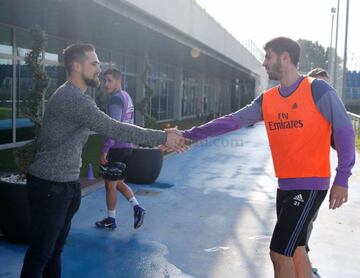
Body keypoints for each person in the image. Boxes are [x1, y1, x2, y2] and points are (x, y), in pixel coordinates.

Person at [167, 37, 355, 278]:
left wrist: (343, 177)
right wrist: (188, 135)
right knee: (296, 249)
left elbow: (344, 129)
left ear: (284, 57)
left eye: (268, 56)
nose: (264, 63)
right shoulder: (268, 99)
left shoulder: (317, 89)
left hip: (310, 184)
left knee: (279, 253)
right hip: (285, 185)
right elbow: (231, 121)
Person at [20, 43, 186, 278]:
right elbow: (114, 128)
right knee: (40, 255)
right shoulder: (73, 99)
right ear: (77, 66)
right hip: (50, 186)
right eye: (94, 63)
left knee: (54, 252)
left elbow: (114, 128)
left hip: (64, 185)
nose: (99, 69)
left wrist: (161, 138)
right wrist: (162, 137)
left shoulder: (74, 96)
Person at [95, 68, 145, 230]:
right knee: (117, 183)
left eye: (110, 80)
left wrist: (105, 149)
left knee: (110, 185)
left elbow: (114, 127)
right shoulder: (126, 96)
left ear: (119, 81)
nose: (106, 84)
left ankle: (111, 220)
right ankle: (137, 208)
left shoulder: (115, 100)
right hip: (126, 147)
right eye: (105, 80)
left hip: (117, 148)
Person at [305, 67, 330, 278]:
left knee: (308, 222)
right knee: (301, 224)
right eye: (318, 84)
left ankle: (303, 263)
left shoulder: (327, 114)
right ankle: (302, 265)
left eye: (326, 85)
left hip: (318, 178)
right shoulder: (302, 111)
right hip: (298, 178)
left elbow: (338, 144)